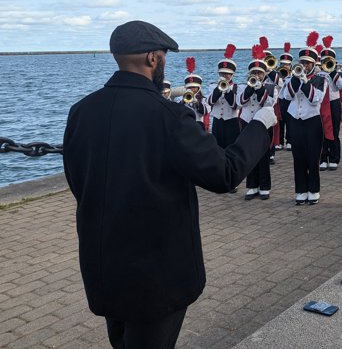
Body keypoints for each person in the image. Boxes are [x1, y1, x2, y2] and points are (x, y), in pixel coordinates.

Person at [63, 20, 276, 349]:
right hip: (157, 276)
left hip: (104, 267)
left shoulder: (81, 112)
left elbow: (78, 181)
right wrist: (260, 126)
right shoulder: (168, 116)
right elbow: (225, 174)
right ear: (152, 59)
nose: (163, 63)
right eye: (163, 56)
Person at [286, 31, 330, 205]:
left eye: (307, 63)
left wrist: (305, 83)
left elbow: (315, 99)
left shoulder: (321, 79)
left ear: (313, 64)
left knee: (313, 157)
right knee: (298, 157)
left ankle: (314, 190)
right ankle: (301, 190)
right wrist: (296, 80)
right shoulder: (293, 78)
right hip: (295, 120)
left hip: (312, 121)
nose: (304, 65)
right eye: (302, 62)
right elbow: (287, 96)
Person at [238, 44, 277, 200]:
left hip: (263, 123)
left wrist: (260, 89)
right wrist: (250, 88)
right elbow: (239, 102)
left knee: (263, 154)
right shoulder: (243, 86)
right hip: (247, 122)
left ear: (264, 74)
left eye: (259, 73)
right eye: (254, 73)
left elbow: (269, 103)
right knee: (249, 155)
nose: (257, 75)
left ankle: (265, 187)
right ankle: (252, 186)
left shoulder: (270, 86)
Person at [319, 36, 342, 170]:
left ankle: (334, 157)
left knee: (334, 131)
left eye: (329, 60)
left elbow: (341, 86)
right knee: (321, 131)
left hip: (333, 103)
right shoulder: (318, 73)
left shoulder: (337, 72)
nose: (326, 62)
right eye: (324, 60)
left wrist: (333, 72)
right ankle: (323, 158)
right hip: (321, 105)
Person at [175, 57, 209, 130]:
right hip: (185, 125)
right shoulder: (179, 98)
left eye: (194, 87)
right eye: (189, 87)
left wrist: (196, 101)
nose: (192, 89)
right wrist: (183, 101)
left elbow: (205, 111)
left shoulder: (203, 99)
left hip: (199, 125)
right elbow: (176, 111)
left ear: (198, 88)